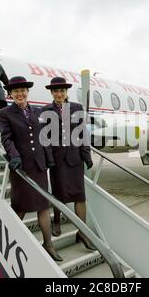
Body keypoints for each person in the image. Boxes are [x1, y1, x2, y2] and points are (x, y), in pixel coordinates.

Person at [0, 76, 62, 262]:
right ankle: (9, 240)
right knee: (21, 207)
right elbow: (6, 138)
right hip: (21, 167)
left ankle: (48, 244)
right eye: (16, 91)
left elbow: (44, 137)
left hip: (39, 166)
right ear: (10, 94)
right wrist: (14, 155)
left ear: (27, 92)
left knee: (43, 206)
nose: (20, 94)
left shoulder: (37, 111)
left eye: (23, 90)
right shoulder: (4, 113)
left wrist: (49, 158)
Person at [42, 77, 95, 251]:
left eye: (62, 91)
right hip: (56, 159)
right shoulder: (45, 111)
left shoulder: (77, 108)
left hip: (74, 157)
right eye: (56, 91)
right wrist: (48, 159)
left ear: (66, 93)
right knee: (58, 193)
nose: (59, 94)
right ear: (52, 93)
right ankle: (56, 221)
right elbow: (45, 138)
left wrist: (86, 156)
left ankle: (83, 232)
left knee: (80, 196)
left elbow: (83, 135)